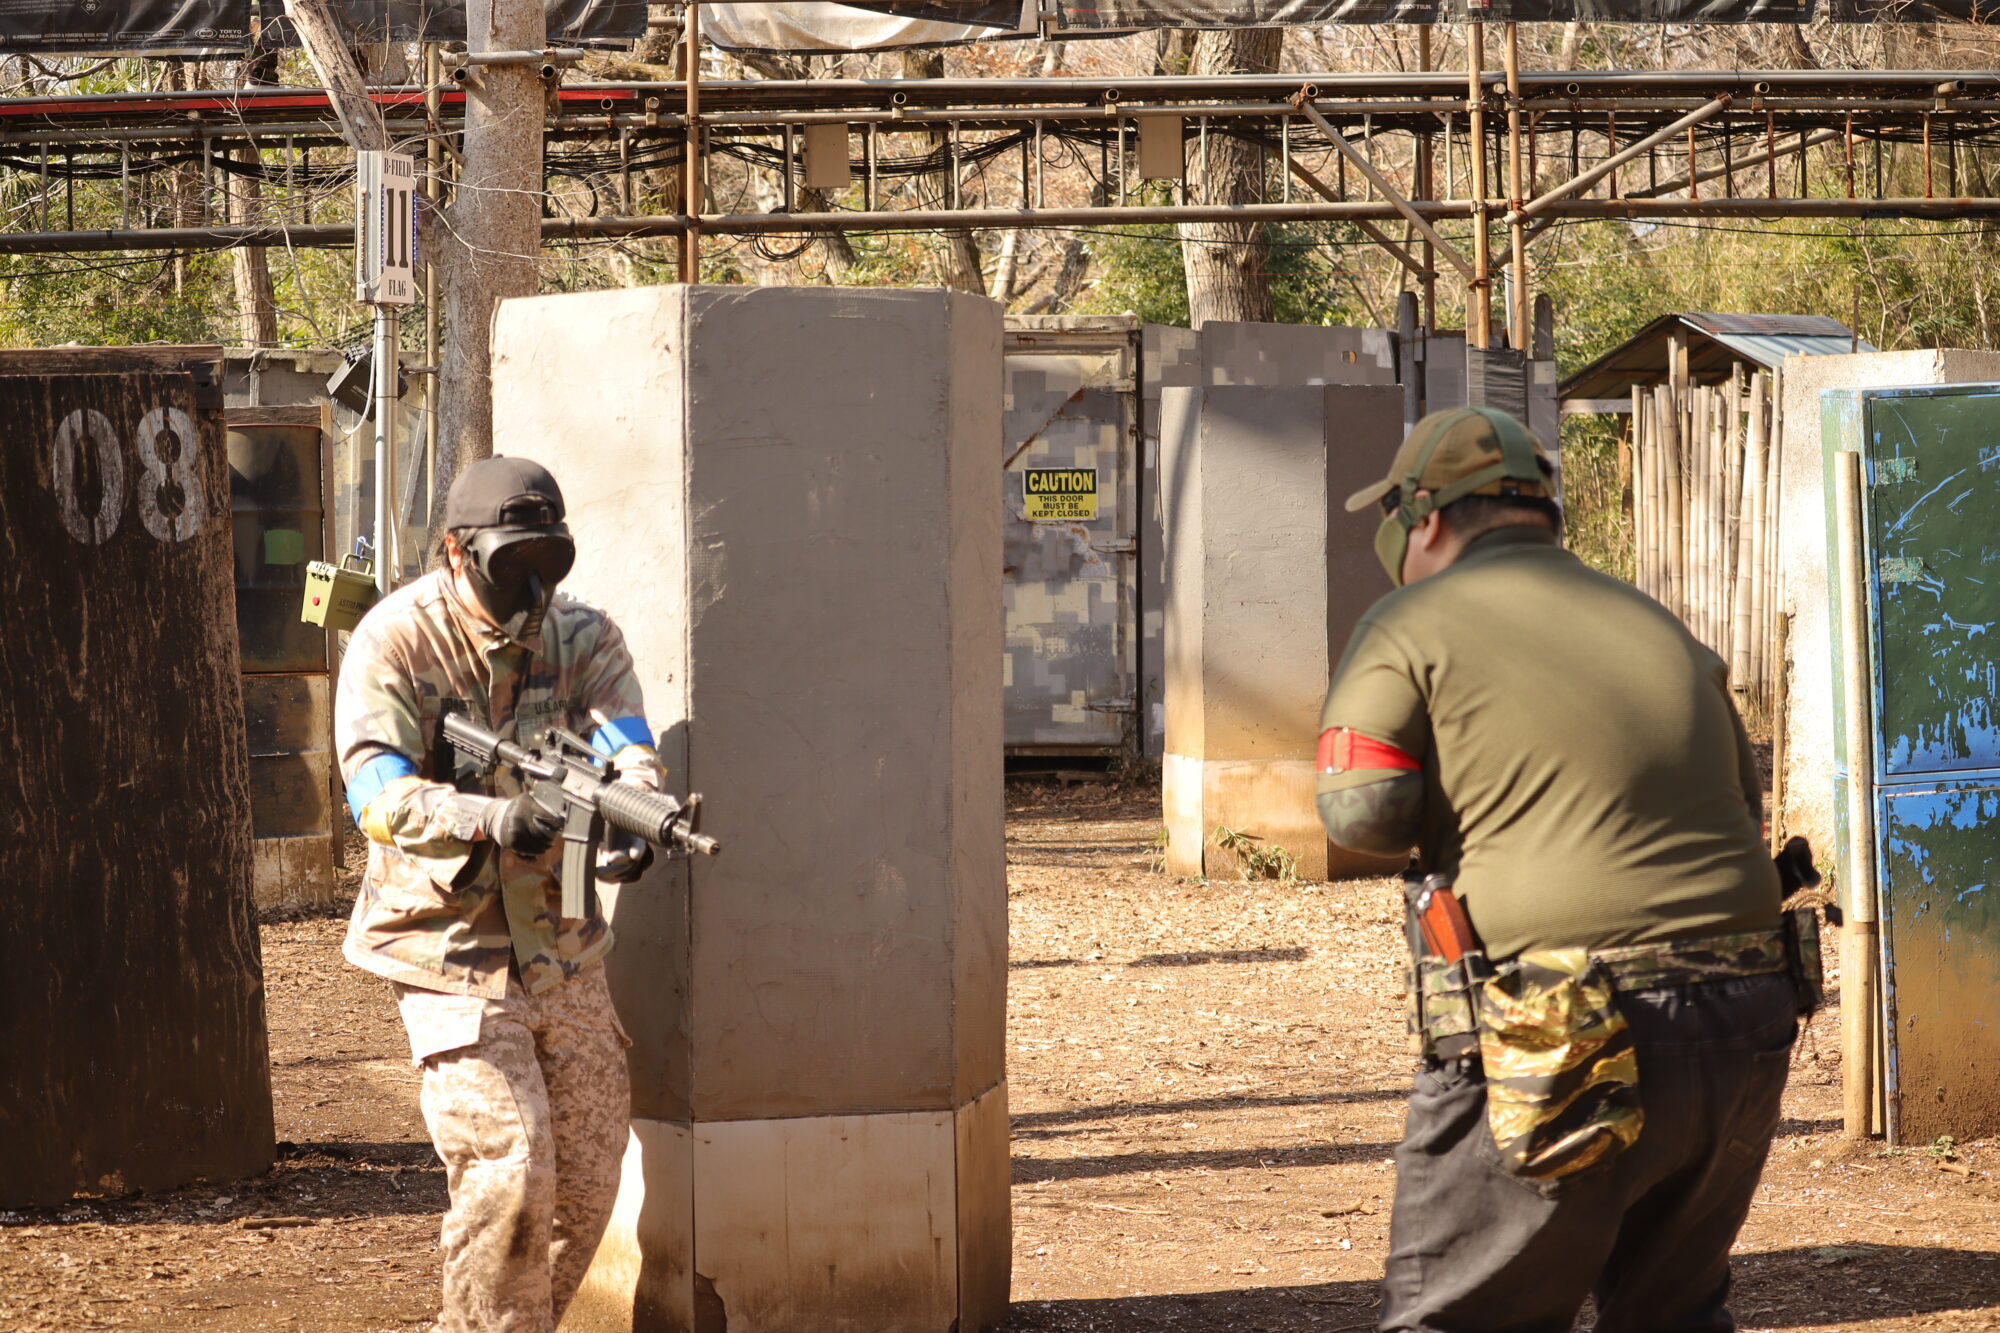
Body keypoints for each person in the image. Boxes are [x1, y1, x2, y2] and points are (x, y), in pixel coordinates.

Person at [1315, 407, 1797, 1333]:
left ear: (1423, 519)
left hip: (1563, 1018)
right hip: (1748, 1013)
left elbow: (1361, 813)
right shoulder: (1658, 625)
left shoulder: (1408, 621)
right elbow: (1747, 812)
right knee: (1674, 1314)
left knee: (1459, 1319)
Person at [335, 456, 660, 1333]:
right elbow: (375, 796)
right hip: (447, 949)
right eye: (512, 565)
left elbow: (627, 740)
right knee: (509, 1171)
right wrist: (491, 817)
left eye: (549, 563)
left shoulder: (583, 636)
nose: (532, 589)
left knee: (586, 1181)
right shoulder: (396, 641)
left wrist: (634, 806)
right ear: (456, 551)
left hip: (562, 948)